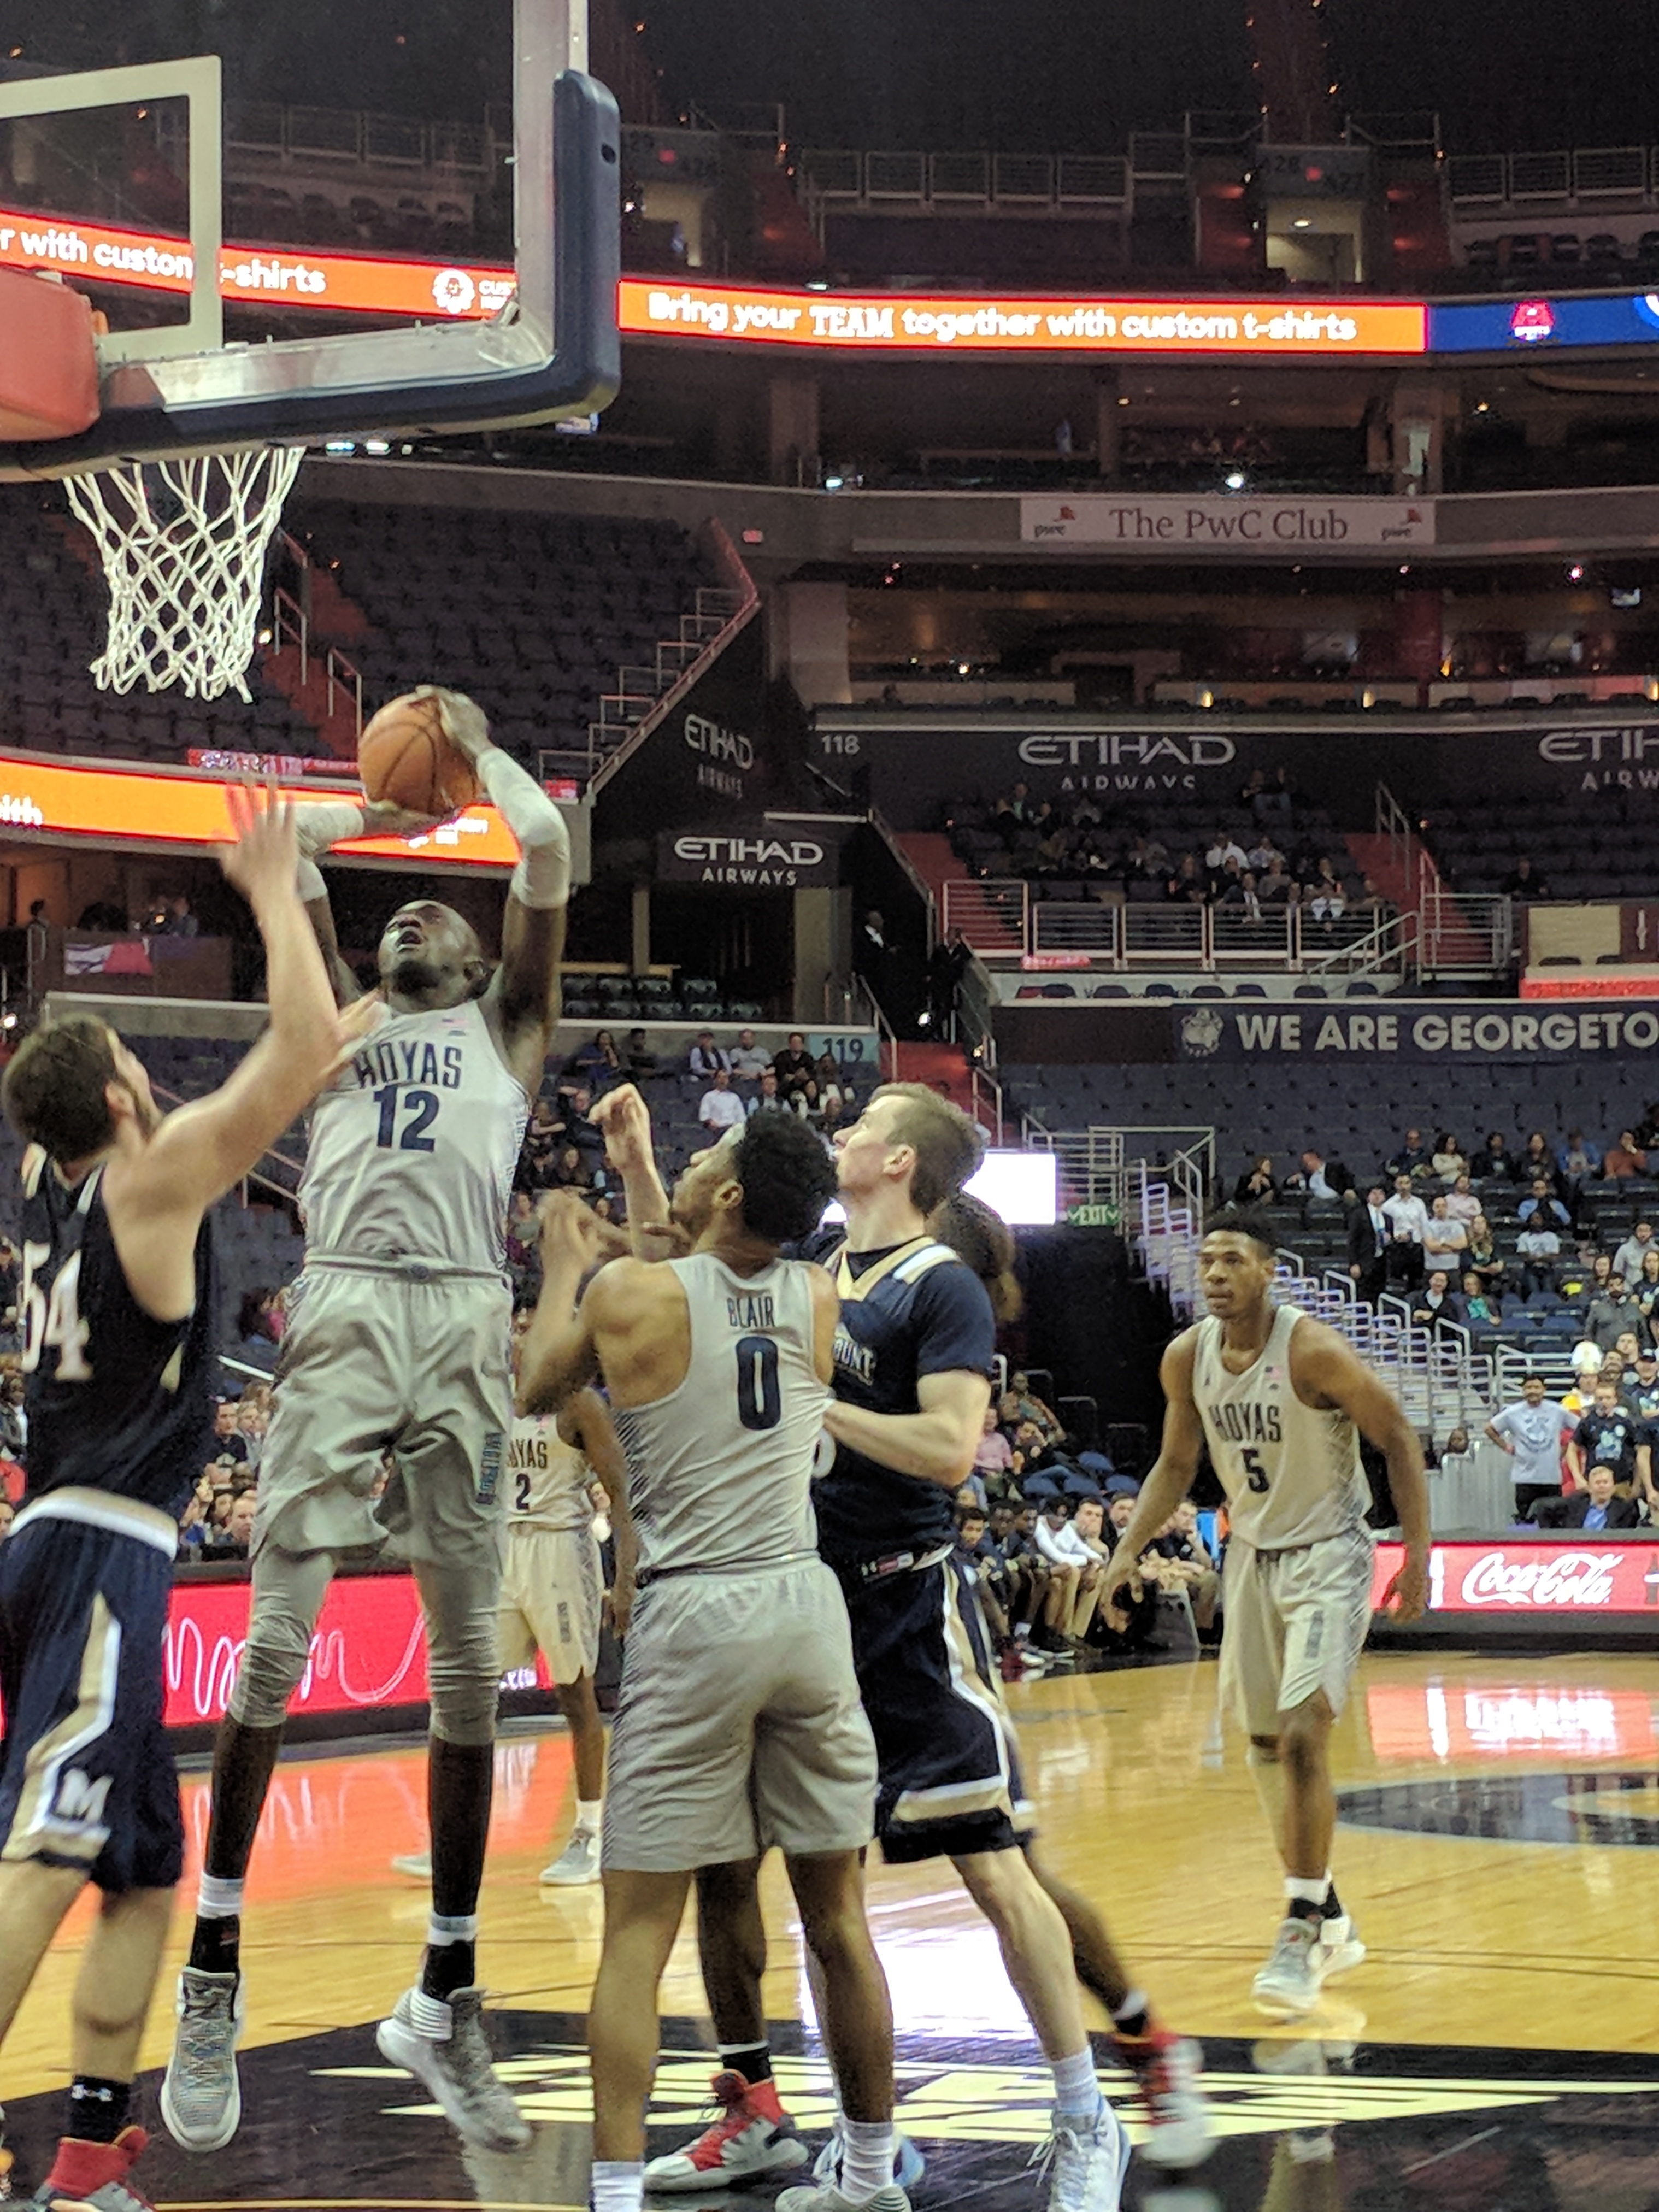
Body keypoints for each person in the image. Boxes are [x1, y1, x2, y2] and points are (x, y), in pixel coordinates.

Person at [649, 1089, 1207, 2197]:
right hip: (798, 1608)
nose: (841, 1131)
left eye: (861, 1122)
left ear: (898, 1159)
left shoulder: (937, 1285)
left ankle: (1097, 2101)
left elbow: (954, 1449)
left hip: (905, 1605)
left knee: (1001, 1865)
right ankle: (763, 2105)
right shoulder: (811, 1260)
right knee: (754, 1871)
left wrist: (825, 1407)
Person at [166, 689, 570, 2157]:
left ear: (472, 958)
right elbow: (282, 846)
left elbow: (542, 841)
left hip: (465, 1312)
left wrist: (462, 767)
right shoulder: (333, 1008)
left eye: (433, 917)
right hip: (341, 1309)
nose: (412, 917)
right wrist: (385, 815)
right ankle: (214, 1962)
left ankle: (447, 1983)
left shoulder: (513, 1022)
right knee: (274, 1639)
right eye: (393, 914)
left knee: (470, 1666)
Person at [0, 787, 350, 2212]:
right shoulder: (145, 1196)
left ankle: (90, 2150)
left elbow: (46, 1095)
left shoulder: (43, 1185)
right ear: (133, 1097)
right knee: (46, 1841)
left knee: (143, 1868)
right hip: (100, 1554)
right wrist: (274, 889)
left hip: (65, 1537)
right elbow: (309, 1047)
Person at [516, 1105, 904, 2212]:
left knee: (638, 1924)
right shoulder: (817, 1293)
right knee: (837, 1917)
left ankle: (615, 2190)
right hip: (803, 1604)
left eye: (705, 1160)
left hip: (694, 1611)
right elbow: (691, 1278)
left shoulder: (624, 1296)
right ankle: (868, 2172)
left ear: (731, 1193)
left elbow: (540, 1385)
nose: (688, 1165)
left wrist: (559, 1268)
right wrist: (642, 1169)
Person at [1100, 1209, 1429, 2017]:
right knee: (1259, 1746)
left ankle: (1298, 1925)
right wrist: (1124, 1550)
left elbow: (1399, 1439)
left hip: (1329, 1553)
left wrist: (1419, 1555)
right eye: (1205, 1260)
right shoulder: (1188, 1356)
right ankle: (1329, 1912)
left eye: (1232, 1260)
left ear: (1268, 1271)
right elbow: (1177, 1463)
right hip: (1251, 1556)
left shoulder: (1311, 1350)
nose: (1214, 1273)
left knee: (1305, 1733)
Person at [391, 1382, 630, 1889]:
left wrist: (626, 1572)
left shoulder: (579, 1402)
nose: (521, 1339)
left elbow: (620, 1485)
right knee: (468, 1692)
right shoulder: (500, 1400)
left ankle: (589, 1831)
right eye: (516, 1328)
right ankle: (450, 1837)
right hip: (504, 1549)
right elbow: (487, 1484)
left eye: (529, 1326)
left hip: (560, 1548)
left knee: (576, 1693)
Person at [1486, 1376, 1577, 1523]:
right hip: (1524, 1478)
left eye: (1536, 1387)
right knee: (1526, 1520)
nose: (1533, 1391)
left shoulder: (1558, 1410)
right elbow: (1489, 1429)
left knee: (1554, 1521)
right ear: (1523, 1391)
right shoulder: (1513, 1412)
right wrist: (1506, 1447)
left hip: (1551, 1477)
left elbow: (1579, 1428)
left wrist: (1566, 1448)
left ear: (1544, 1390)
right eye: (1529, 1388)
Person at [1556, 1464, 1640, 1531]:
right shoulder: (1575, 1504)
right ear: (1590, 1488)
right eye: (1597, 1483)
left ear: (1613, 1487)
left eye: (1606, 1482)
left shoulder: (1625, 1509)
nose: (1602, 1486)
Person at [1346, 1186, 1390, 1304]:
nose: (1377, 1196)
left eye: (1381, 1193)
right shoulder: (1359, 1214)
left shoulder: (1387, 1216)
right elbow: (1353, 1240)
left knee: (1379, 1294)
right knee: (1363, 1296)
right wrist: (1354, 1263)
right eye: (1374, 1193)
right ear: (1368, 1196)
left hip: (1381, 1262)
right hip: (1364, 1261)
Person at [699, 1068, 746, 1139]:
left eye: (725, 1078)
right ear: (715, 1080)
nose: (723, 1080)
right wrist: (715, 1127)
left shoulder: (735, 1097)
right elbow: (705, 1117)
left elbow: (741, 1118)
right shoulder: (709, 1096)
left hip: (732, 1132)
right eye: (719, 1077)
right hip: (715, 1133)